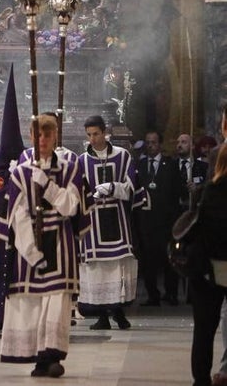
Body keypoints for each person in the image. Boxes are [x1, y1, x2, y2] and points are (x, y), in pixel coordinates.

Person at [0, 113, 85, 378]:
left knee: (56, 301)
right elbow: (17, 215)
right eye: (38, 135)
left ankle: (52, 355)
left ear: (55, 135)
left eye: (48, 134)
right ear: (31, 136)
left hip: (61, 243)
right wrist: (31, 252)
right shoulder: (20, 173)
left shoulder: (71, 168)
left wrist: (46, 185)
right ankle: (38, 357)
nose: (43, 140)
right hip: (30, 246)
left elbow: (70, 206)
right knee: (32, 302)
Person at [77, 116, 137, 330]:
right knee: (98, 270)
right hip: (94, 222)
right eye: (89, 135)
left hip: (117, 219)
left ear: (105, 133)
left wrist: (112, 187)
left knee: (117, 267)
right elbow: (78, 191)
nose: (92, 139)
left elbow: (131, 187)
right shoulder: (81, 160)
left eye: (96, 134)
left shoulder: (123, 156)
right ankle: (102, 316)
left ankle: (119, 313)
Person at [189, 146, 227, 386]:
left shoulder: (209, 192)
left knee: (203, 330)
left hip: (207, 270)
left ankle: (200, 379)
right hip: (214, 266)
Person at [135, 129, 183, 305]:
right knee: (149, 261)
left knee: (169, 259)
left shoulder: (170, 165)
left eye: (154, 142)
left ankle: (171, 293)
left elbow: (176, 190)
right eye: (148, 142)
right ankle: (152, 295)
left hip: (166, 220)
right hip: (147, 221)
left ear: (160, 144)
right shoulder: (139, 166)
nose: (150, 145)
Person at [177, 132, 210, 211]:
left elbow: (208, 189)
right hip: (175, 212)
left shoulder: (204, 167)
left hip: (196, 210)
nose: (179, 145)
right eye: (178, 142)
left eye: (183, 142)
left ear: (192, 146)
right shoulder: (171, 166)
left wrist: (197, 189)